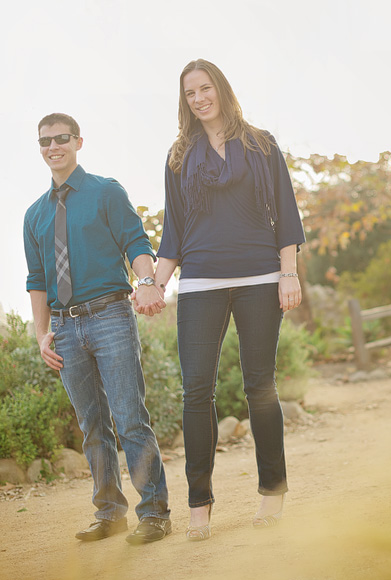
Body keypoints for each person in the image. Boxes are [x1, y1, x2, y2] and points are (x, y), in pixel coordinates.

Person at [145, 59, 305, 541]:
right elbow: (172, 232)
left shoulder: (261, 144)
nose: (198, 99)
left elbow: (288, 215)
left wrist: (288, 273)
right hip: (199, 284)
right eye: (189, 93)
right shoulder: (178, 156)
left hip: (261, 276)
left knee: (260, 386)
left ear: (222, 89)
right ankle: (199, 505)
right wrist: (155, 282)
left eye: (205, 88)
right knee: (196, 392)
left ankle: (272, 490)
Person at [23, 113, 171, 544]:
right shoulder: (34, 215)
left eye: (62, 138)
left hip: (110, 317)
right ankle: (109, 513)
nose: (54, 147)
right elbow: (36, 280)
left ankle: (154, 513)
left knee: (130, 419)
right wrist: (41, 334)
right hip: (65, 329)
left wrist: (146, 283)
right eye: (46, 141)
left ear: (78, 142)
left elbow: (136, 242)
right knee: (92, 426)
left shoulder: (106, 191)